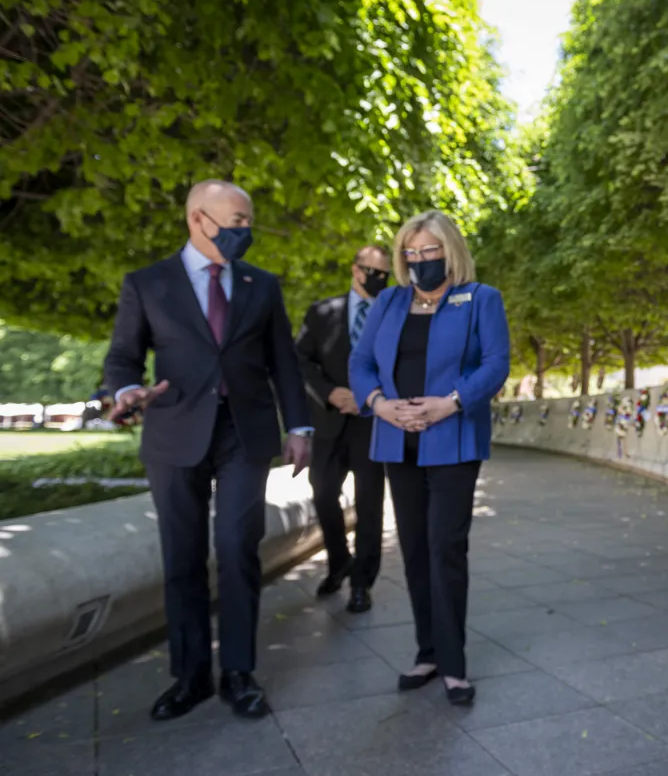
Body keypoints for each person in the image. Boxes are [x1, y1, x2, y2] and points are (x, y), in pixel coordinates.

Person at [104, 180, 312, 721]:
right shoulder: (148, 284)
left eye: (248, 220)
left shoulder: (261, 285)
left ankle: (238, 672)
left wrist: (301, 427)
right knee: (182, 556)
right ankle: (190, 675)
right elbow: (123, 358)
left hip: (245, 433)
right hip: (175, 434)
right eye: (238, 220)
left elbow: (283, 363)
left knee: (239, 547)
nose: (247, 229)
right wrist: (126, 392)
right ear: (199, 219)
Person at [349, 210, 509, 706]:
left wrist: (451, 402)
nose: (419, 262)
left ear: (450, 251)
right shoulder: (390, 301)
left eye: (429, 252)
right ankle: (428, 653)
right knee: (414, 549)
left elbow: (495, 363)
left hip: (453, 438)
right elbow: (361, 362)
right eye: (410, 254)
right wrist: (380, 403)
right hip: (398, 440)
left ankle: (455, 666)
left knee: (445, 547)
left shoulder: (481, 299)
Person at [295, 245, 392, 613]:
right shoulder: (322, 313)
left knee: (370, 504)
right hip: (328, 421)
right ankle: (339, 561)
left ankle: (361, 583)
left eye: (385, 274)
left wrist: (371, 396)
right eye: (372, 271)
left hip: (372, 422)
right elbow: (299, 359)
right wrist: (328, 393)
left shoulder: (394, 315)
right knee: (322, 494)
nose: (379, 279)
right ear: (356, 270)